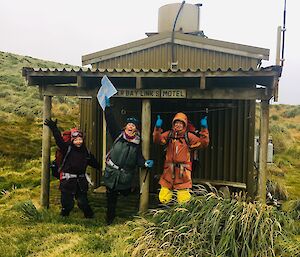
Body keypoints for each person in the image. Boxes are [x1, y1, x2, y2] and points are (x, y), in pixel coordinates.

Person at [103, 97, 154, 225]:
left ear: (136, 129)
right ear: (125, 126)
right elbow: (110, 122)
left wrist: (145, 163)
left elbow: (138, 159)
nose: (131, 127)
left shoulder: (137, 144)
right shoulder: (117, 135)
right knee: (111, 198)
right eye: (129, 125)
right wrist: (108, 108)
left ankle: (130, 211)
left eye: (133, 125)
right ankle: (109, 219)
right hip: (112, 172)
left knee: (126, 193)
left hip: (125, 176)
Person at [44, 119, 100, 218]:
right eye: (76, 140)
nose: (78, 142)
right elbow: (59, 140)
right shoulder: (67, 148)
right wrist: (54, 128)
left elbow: (93, 162)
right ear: (72, 140)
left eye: (80, 140)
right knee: (67, 203)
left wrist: (102, 168)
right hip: (67, 181)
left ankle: (90, 216)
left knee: (83, 202)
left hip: (81, 181)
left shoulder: (85, 151)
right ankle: (64, 217)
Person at [153, 112, 209, 204]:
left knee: (183, 198)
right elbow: (157, 140)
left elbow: (203, 143)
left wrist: (204, 129)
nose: (178, 125)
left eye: (180, 123)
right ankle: (165, 212)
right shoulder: (169, 134)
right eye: (176, 123)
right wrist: (157, 128)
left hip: (183, 170)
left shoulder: (189, 136)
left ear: (184, 125)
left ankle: (181, 213)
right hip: (169, 170)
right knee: (164, 196)